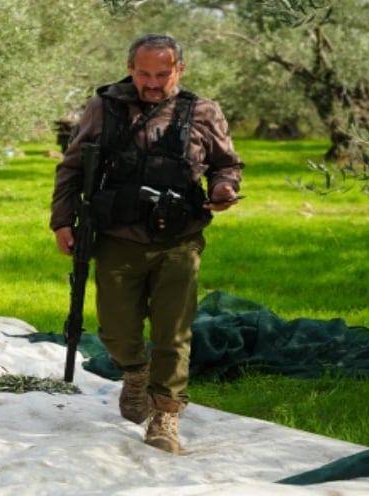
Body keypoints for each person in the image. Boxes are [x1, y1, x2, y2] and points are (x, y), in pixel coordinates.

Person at [50, 34, 244, 455]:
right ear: (130, 67)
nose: (152, 83)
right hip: (118, 237)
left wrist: (225, 188)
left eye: (162, 73)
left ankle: (165, 415)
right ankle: (135, 373)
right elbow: (73, 166)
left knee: (174, 332)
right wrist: (62, 221)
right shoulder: (105, 107)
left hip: (180, 240)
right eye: (143, 73)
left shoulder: (204, 112)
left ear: (180, 70)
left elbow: (226, 164)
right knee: (116, 332)